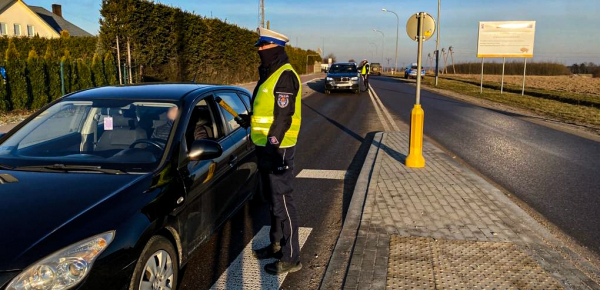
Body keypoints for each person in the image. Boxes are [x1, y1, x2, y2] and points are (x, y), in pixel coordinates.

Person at [236, 27, 302, 275]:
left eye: (262, 46)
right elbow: (267, 112)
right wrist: (250, 120)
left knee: (283, 201)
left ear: (273, 47)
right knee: (272, 200)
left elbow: (283, 118)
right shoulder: (269, 74)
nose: (259, 51)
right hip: (266, 146)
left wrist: (273, 146)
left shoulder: (284, 75)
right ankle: (276, 244)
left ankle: (292, 257)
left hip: (279, 149)